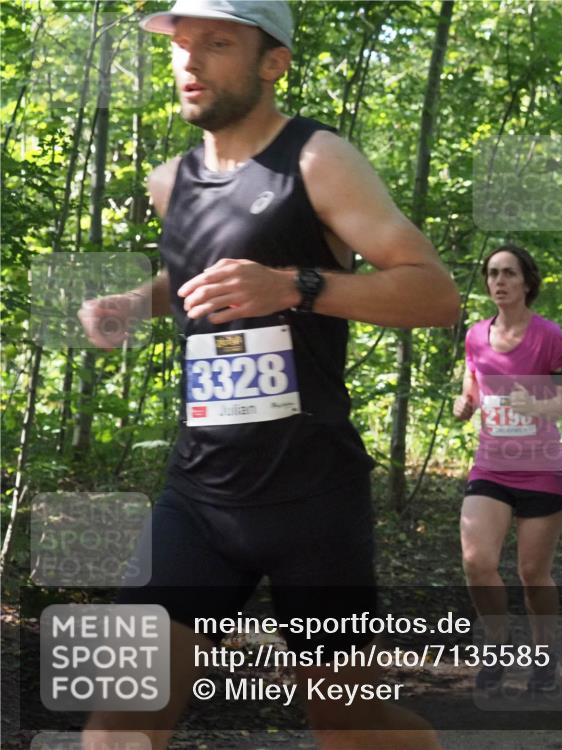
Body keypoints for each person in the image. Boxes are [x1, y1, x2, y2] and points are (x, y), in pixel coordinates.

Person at [77, 2, 460, 748]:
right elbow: (194, 274)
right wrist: (135, 301)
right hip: (200, 495)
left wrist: (296, 286)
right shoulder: (169, 182)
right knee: (118, 724)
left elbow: (436, 294)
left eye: (217, 45)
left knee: (349, 727)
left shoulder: (317, 160)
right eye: (182, 47)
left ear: (272, 63)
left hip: (311, 497)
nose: (190, 62)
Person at [453, 244, 562, 695]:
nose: (499, 282)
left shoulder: (549, 335)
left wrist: (541, 402)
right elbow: (473, 380)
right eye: (492, 273)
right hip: (491, 466)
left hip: (543, 470)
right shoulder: (475, 335)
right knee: (477, 561)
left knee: (532, 573)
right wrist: (465, 403)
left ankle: (544, 652)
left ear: (526, 282)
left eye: (509, 273)